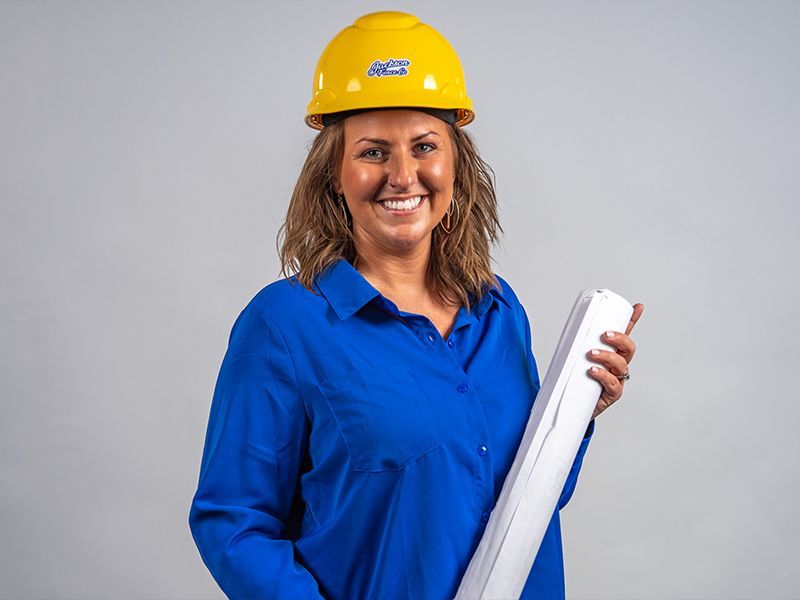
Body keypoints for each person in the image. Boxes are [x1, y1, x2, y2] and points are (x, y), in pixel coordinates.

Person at [188, 10, 644, 600]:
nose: (403, 175)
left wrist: (574, 416)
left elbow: (524, 501)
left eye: (424, 147)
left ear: (455, 164)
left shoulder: (498, 312)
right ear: (335, 175)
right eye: (373, 152)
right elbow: (234, 523)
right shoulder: (284, 325)